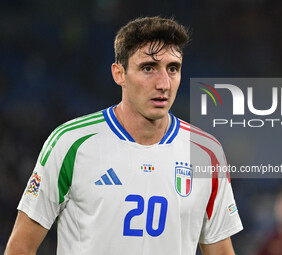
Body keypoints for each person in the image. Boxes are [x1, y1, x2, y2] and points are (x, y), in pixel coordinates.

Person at [5, 16, 243, 255]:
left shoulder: (206, 153)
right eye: (148, 68)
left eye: (173, 69)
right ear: (119, 74)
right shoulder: (71, 143)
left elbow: (221, 251)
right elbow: (20, 247)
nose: (164, 83)